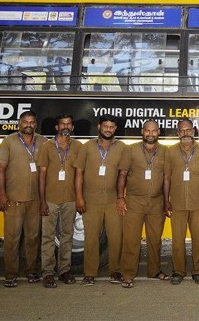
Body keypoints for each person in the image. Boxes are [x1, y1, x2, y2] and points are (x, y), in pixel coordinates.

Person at [0, 110, 47, 288]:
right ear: (19, 123)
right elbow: (0, 169)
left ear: (36, 124)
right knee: (12, 239)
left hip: (35, 200)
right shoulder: (9, 141)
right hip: (13, 199)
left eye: (32, 122)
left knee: (33, 238)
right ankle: (10, 274)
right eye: (25, 122)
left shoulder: (43, 141)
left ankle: (31, 271)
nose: (28, 125)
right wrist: (1, 194)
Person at [74, 114, 126, 286]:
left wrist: (120, 198)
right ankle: (90, 273)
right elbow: (79, 172)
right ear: (99, 127)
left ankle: (115, 271)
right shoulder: (87, 147)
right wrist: (79, 197)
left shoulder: (122, 148)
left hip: (113, 200)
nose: (108, 130)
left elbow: (123, 174)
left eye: (111, 127)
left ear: (115, 129)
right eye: (105, 126)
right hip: (91, 199)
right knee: (91, 238)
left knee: (115, 237)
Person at [117, 120, 168, 288]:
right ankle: (128, 274)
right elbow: (123, 174)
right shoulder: (130, 150)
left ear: (158, 132)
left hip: (156, 202)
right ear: (142, 131)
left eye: (154, 131)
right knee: (131, 239)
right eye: (147, 131)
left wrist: (167, 202)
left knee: (155, 239)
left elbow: (167, 178)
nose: (150, 134)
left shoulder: (165, 151)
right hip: (134, 201)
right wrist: (120, 198)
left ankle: (154, 271)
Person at [164, 118, 199, 285]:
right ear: (178, 133)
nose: (185, 133)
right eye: (181, 130)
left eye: (188, 130)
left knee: (198, 239)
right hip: (177, 202)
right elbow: (167, 177)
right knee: (177, 240)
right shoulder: (170, 151)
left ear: (193, 131)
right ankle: (178, 271)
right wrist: (166, 199)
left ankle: (198, 271)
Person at [37, 114, 82, 288]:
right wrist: (42, 201)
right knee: (48, 237)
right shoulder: (47, 146)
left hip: (70, 199)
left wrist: (79, 197)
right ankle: (48, 272)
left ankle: (64, 270)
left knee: (67, 236)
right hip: (50, 199)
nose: (65, 126)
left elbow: (80, 173)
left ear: (72, 127)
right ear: (57, 127)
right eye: (62, 124)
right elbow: (41, 175)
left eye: (69, 124)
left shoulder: (78, 146)